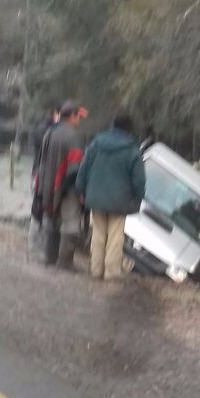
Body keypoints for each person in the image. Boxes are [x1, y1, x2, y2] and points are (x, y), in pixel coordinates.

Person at [76, 114, 145, 280]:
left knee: (98, 234)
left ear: (112, 126)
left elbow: (84, 168)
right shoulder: (132, 152)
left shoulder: (96, 145)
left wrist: (81, 190)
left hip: (95, 197)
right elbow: (139, 181)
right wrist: (137, 199)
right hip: (119, 201)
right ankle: (111, 272)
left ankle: (96, 269)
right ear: (129, 131)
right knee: (115, 237)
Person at [36, 100, 88, 269]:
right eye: (78, 116)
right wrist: (75, 189)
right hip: (66, 187)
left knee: (51, 221)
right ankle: (64, 262)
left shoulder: (49, 134)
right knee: (71, 226)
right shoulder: (73, 136)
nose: (79, 120)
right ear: (71, 116)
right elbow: (75, 167)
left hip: (47, 185)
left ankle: (48, 257)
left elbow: (41, 162)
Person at [28, 103, 61, 263]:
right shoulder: (45, 131)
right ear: (55, 113)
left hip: (41, 172)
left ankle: (38, 244)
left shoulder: (45, 130)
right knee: (39, 207)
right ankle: (36, 244)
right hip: (41, 173)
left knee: (40, 206)